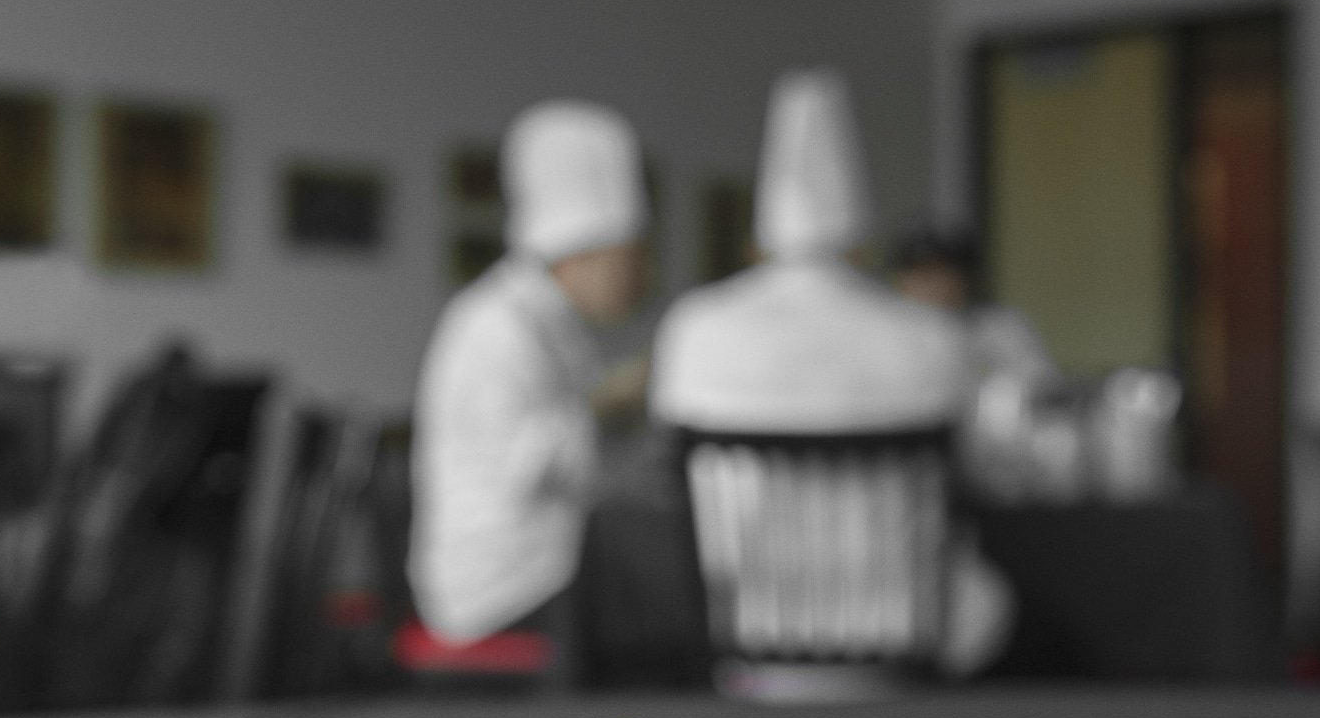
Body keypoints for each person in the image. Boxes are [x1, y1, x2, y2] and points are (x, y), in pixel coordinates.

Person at [650, 70, 1011, 676]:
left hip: (748, 629)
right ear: (862, 245)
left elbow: (663, 466)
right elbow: (986, 473)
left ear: (758, 240)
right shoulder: (929, 335)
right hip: (905, 632)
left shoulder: (697, 327)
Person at [408, 101, 647, 645]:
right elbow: (529, 466)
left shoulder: (554, 323)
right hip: (498, 584)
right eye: (630, 257)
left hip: (551, 565)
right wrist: (609, 403)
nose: (641, 276)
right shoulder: (497, 324)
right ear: (578, 257)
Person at [889, 221, 1059, 391]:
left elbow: (1042, 386)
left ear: (967, 278)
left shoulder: (1001, 326)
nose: (929, 284)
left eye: (941, 272)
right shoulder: (884, 333)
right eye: (920, 274)